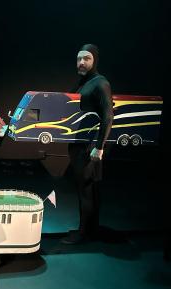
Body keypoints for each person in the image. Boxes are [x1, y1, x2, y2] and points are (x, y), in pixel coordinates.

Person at [61, 44, 114, 244]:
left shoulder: (101, 83)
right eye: (79, 58)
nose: (81, 62)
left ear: (95, 61)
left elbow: (108, 117)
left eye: (87, 58)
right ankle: (91, 230)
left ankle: (83, 233)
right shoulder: (85, 82)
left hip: (90, 147)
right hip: (81, 145)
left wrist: (99, 148)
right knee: (88, 188)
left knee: (86, 188)